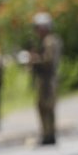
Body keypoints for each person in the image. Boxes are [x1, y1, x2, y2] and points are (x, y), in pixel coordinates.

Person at [25, 12, 62, 146]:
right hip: (47, 79)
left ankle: (48, 134)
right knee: (46, 107)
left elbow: (48, 60)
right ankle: (48, 134)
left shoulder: (49, 41)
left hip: (47, 79)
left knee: (45, 106)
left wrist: (35, 59)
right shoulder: (49, 40)